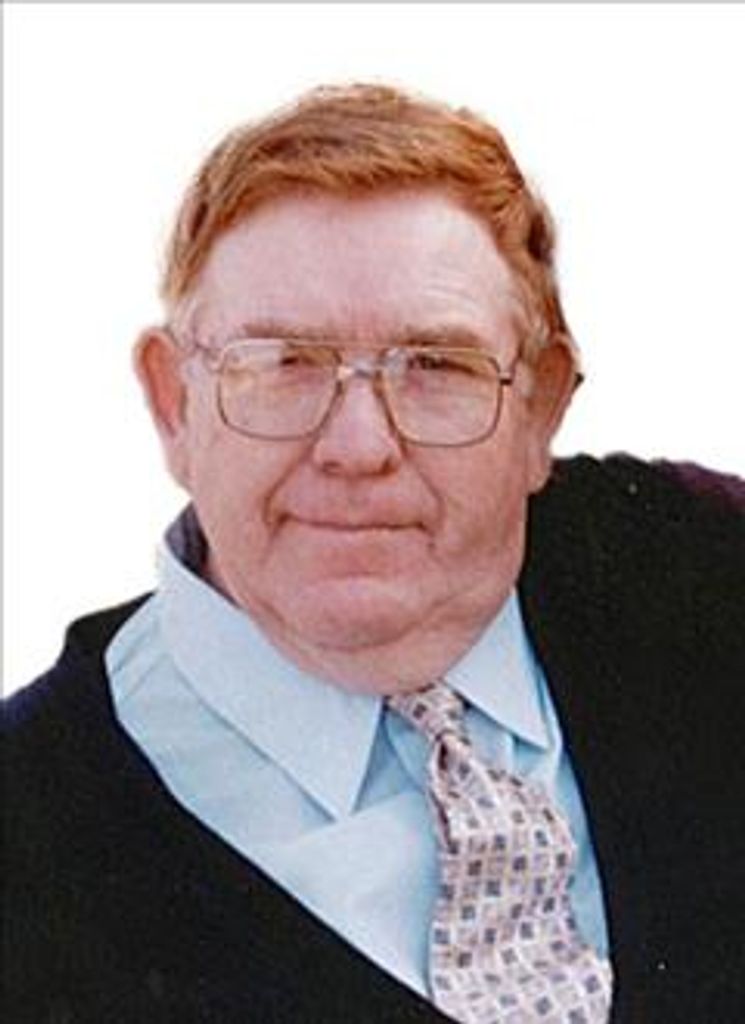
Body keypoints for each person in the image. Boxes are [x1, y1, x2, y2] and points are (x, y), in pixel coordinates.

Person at [4, 83, 744, 1024]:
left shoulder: (704, 579)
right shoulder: (27, 841)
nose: (357, 446)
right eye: (283, 363)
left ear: (540, 409)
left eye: (435, 365)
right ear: (174, 405)